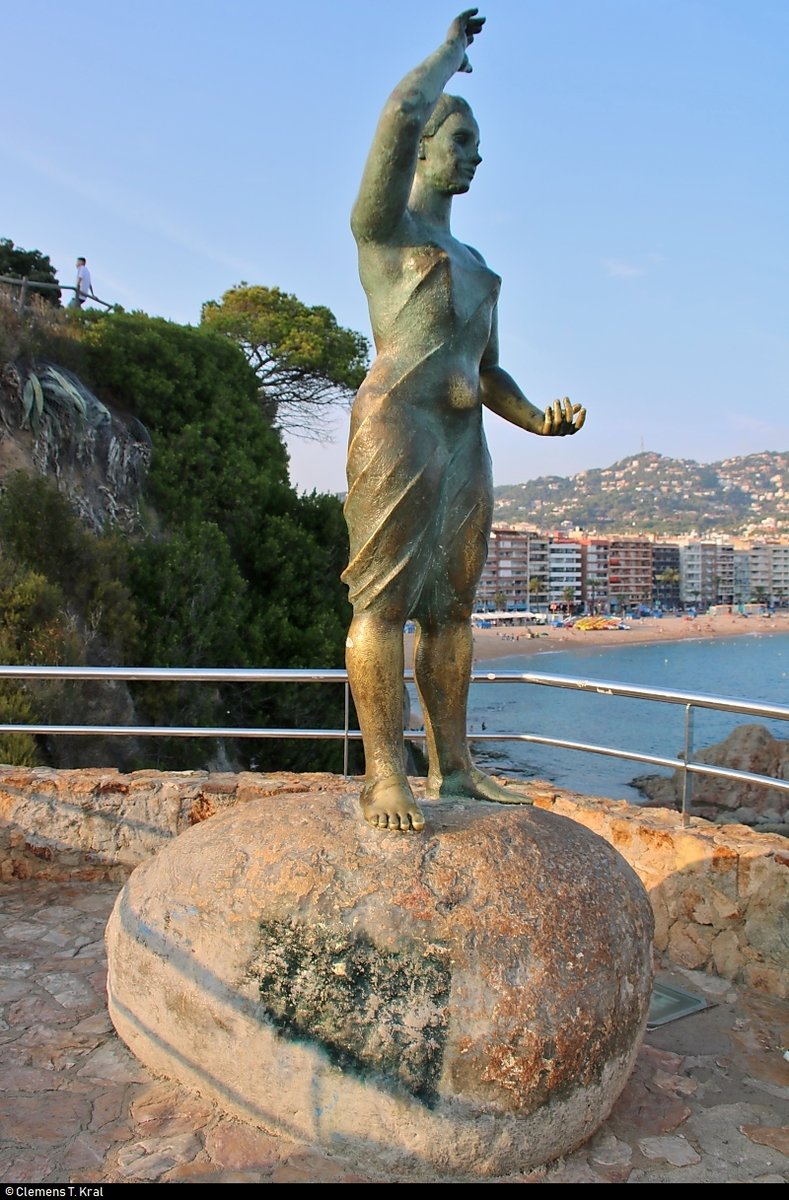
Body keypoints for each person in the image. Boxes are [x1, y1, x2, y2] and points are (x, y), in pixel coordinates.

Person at [342, 9, 586, 832]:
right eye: (462, 141)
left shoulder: (481, 270)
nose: (475, 155)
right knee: (379, 605)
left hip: (462, 441)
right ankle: (385, 777)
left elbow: (484, 372)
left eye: (477, 145)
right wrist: (450, 55)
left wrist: (535, 421)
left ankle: (455, 770)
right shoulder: (384, 231)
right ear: (421, 150)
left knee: (450, 612)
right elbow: (397, 113)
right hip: (396, 427)